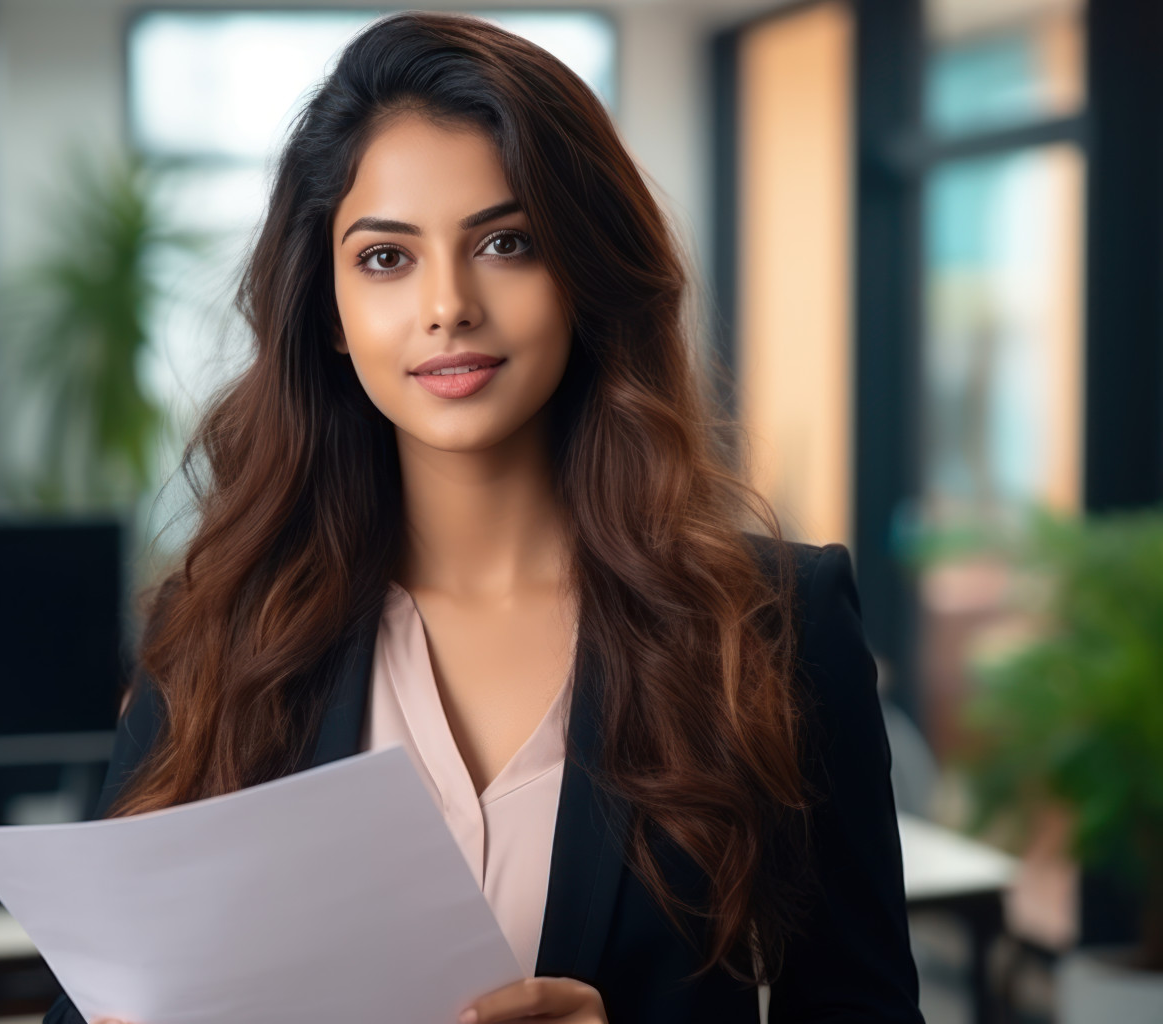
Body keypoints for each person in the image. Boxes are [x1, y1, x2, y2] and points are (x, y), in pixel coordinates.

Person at [46, 11, 923, 1023]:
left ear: (585, 273)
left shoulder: (771, 623)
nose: (448, 305)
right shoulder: (217, 634)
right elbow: (90, 1001)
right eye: (386, 258)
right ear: (329, 311)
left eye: (506, 243)